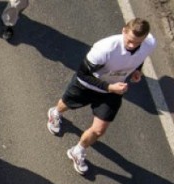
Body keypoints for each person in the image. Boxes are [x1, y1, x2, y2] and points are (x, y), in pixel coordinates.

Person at [46, 18, 156, 175]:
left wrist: (138, 70)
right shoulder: (104, 49)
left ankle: (78, 151)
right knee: (66, 104)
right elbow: (82, 74)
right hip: (87, 85)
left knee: (99, 130)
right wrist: (109, 87)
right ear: (123, 31)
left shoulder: (149, 43)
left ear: (144, 39)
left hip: (112, 92)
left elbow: (140, 56)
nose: (132, 45)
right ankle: (55, 112)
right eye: (130, 41)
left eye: (138, 42)